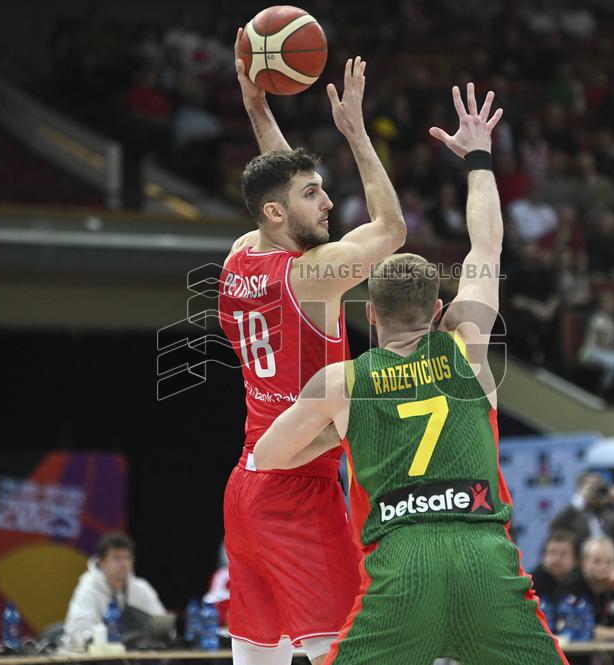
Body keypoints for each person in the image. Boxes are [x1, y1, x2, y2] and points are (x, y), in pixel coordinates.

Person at [253, 83, 568, 665]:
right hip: (483, 557)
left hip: (401, 566)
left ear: (370, 316)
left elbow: (268, 457)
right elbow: (487, 246)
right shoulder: (469, 346)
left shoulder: (340, 384)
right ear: (440, 311)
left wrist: (339, 433)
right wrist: (478, 158)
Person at [218, 34, 407, 665]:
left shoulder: (242, 252)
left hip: (247, 484)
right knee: (348, 653)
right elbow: (392, 230)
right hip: (299, 489)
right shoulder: (313, 275)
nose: (329, 203)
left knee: (258, 659)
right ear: (278, 211)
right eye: (315, 195)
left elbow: (278, 191)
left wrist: (258, 110)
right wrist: (355, 133)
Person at [62, 532, 173, 651]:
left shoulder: (141, 588)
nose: (124, 564)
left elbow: (163, 626)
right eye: (117, 558)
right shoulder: (88, 590)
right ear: (102, 562)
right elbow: (78, 632)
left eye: (128, 557)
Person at [549, 472, 614, 599]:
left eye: (600, 488)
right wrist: (579, 500)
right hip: (583, 581)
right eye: (592, 489)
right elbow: (554, 528)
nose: (596, 493)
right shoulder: (574, 517)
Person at [530, 531, 584, 607]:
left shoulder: (585, 584)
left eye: (563, 554)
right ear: (543, 556)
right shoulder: (529, 585)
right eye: (552, 552)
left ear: (576, 560)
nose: (557, 559)